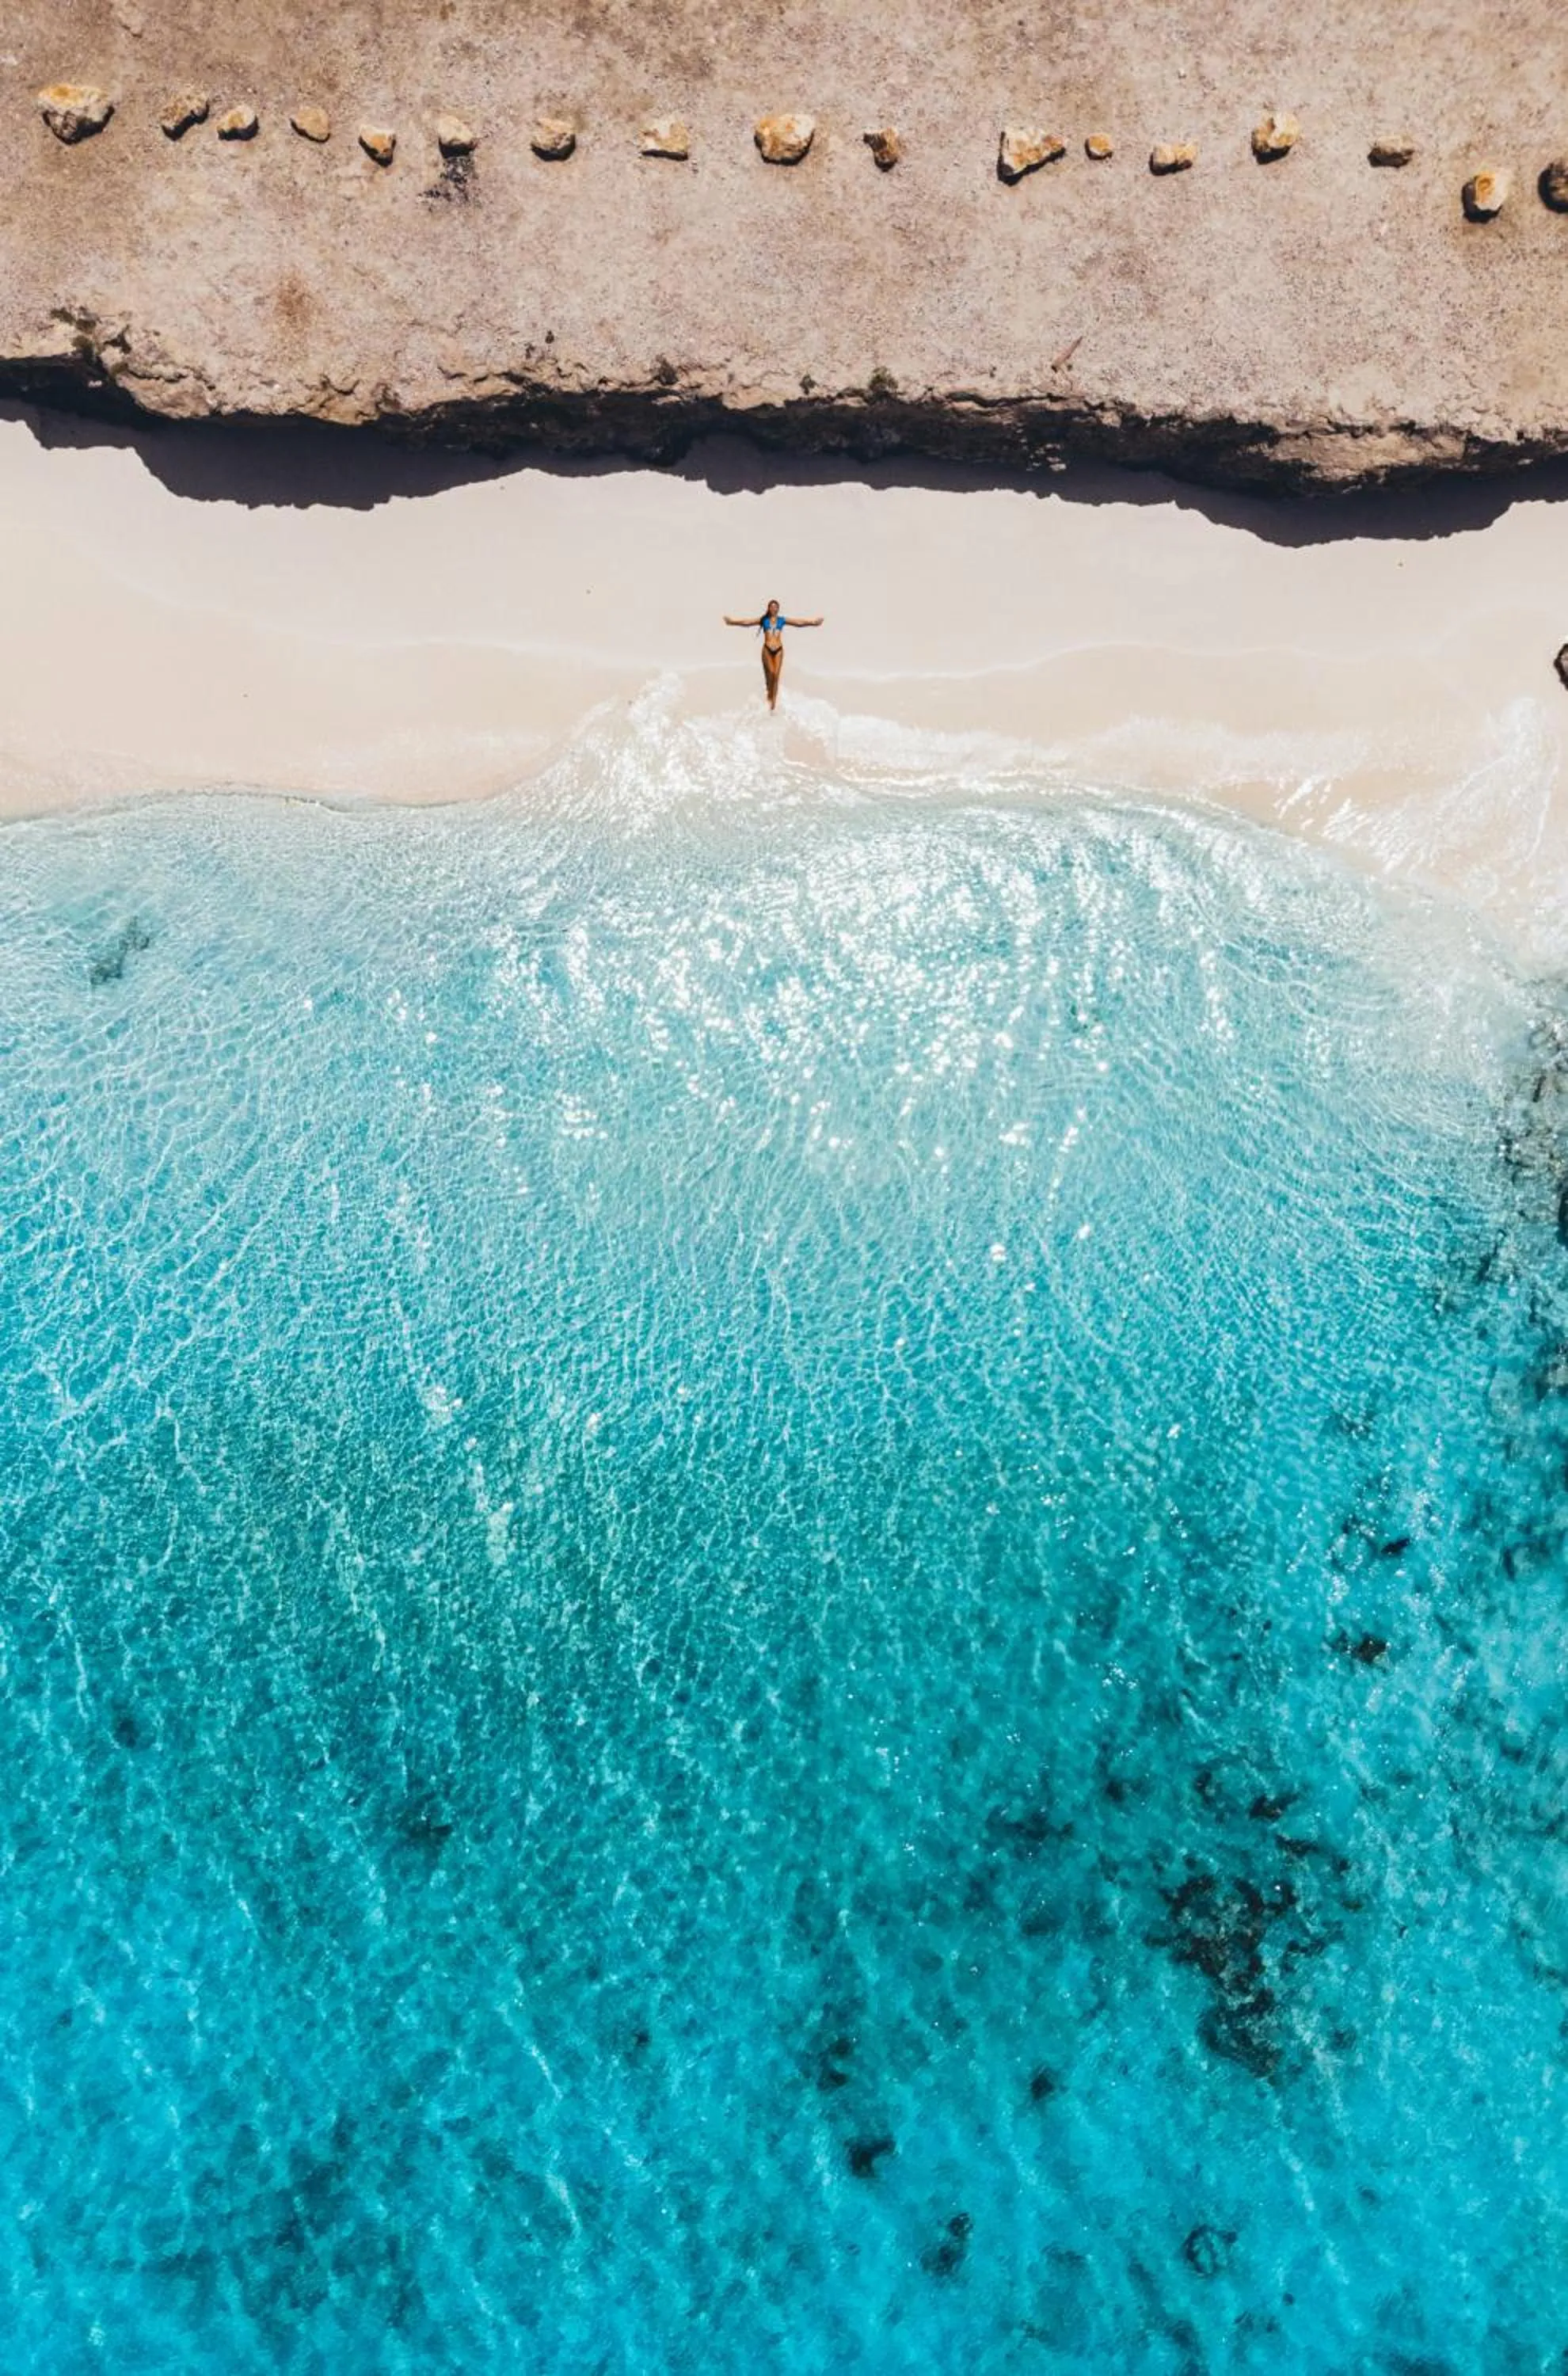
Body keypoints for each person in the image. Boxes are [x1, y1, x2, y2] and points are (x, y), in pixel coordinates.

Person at [723, 598, 823, 710]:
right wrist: (732, 622)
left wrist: (813, 623)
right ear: (768, 608)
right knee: (771, 673)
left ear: (778, 609)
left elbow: (798, 623)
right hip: (767, 649)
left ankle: (772, 705)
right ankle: (769, 697)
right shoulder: (764, 620)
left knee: (776, 676)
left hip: (779, 650)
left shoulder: (782, 620)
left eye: (776, 607)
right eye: (771, 606)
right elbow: (748, 623)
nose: (773, 608)